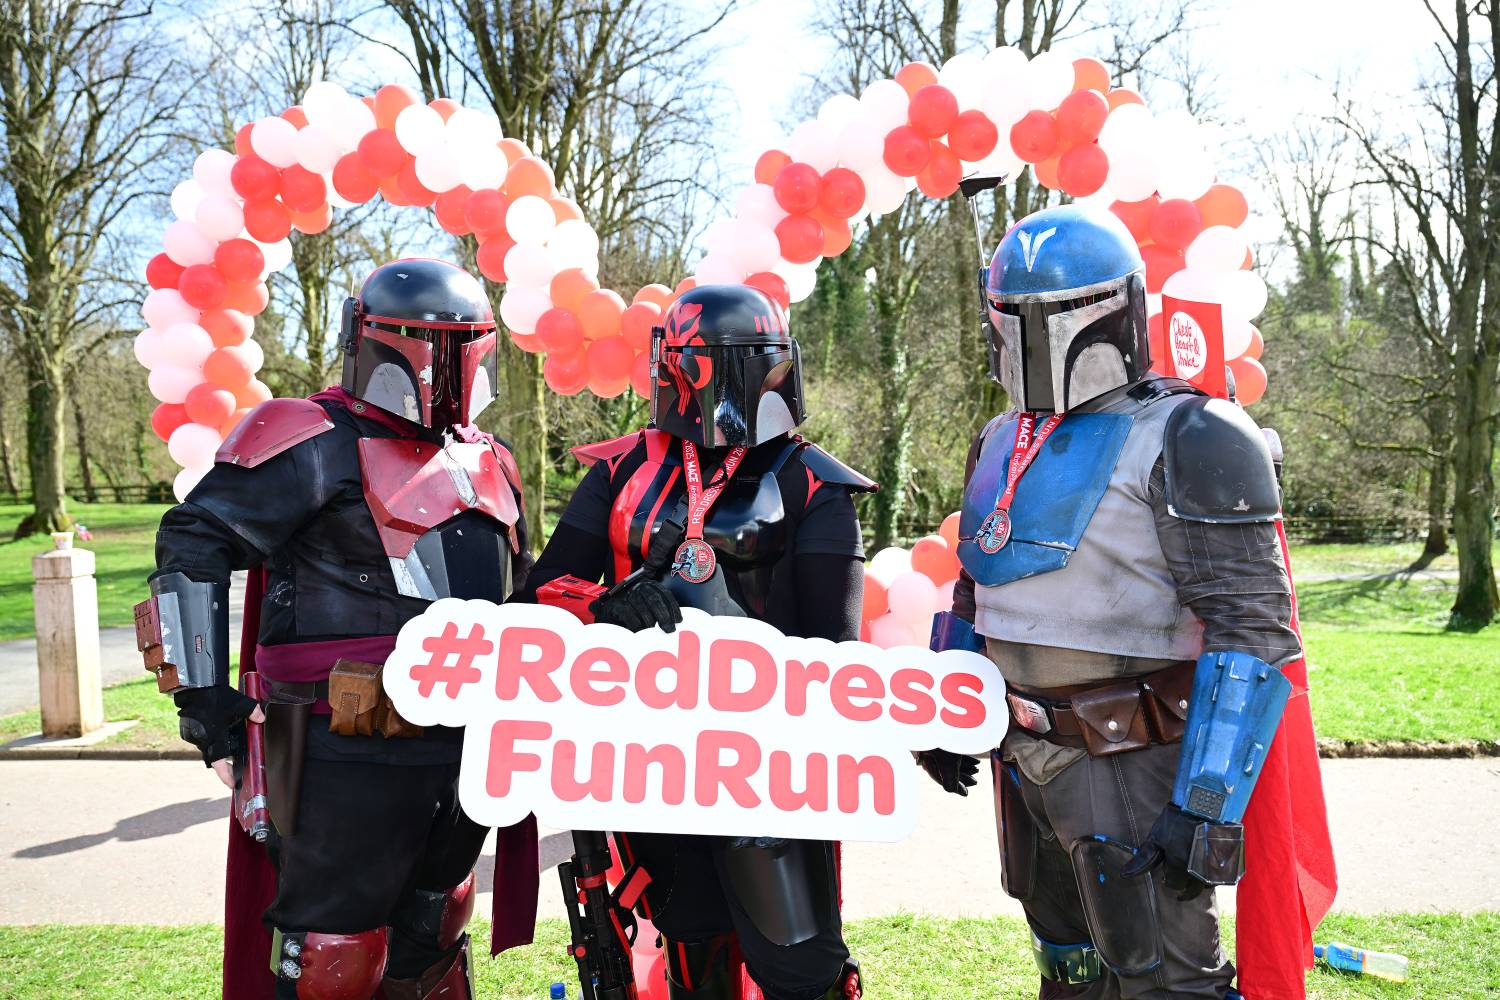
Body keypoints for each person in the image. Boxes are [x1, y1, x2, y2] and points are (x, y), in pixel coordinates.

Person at [920, 205, 1305, 999]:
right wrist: (946, 710)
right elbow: (976, 586)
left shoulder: (1191, 430)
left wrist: (1205, 802)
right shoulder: (1000, 437)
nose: (1032, 334)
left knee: (1168, 983)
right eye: (1012, 314)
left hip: (1132, 756)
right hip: (1022, 754)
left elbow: (1251, 628)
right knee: (1067, 971)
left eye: (1056, 312)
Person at [136, 258, 531, 1000]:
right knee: (334, 952)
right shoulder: (311, 437)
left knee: (437, 926)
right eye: (428, 341)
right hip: (342, 746)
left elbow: (520, 599)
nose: (445, 360)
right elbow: (195, 539)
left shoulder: (489, 459)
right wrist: (206, 704)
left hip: (465, 748)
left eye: (463, 341)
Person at [516, 284, 870, 1000]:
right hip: (648, 753)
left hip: (770, 762)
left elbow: (834, 648)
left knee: (800, 966)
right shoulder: (622, 470)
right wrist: (602, 605)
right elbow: (539, 593)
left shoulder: (809, 480)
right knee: (690, 947)